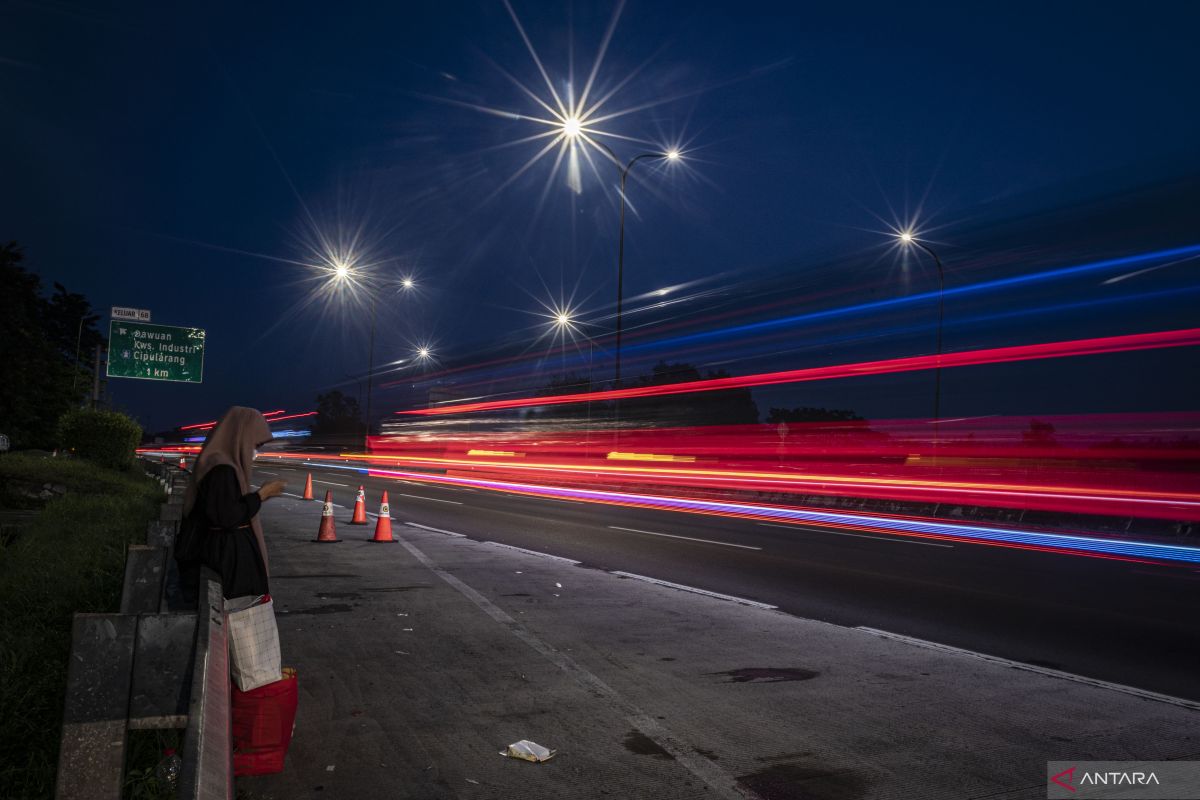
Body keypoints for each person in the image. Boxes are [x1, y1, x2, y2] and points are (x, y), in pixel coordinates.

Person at [178, 406, 286, 601]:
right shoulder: (222, 469)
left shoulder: (222, 464)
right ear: (240, 436)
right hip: (227, 565)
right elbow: (227, 516)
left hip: (227, 561)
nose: (255, 451)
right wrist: (261, 495)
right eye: (255, 444)